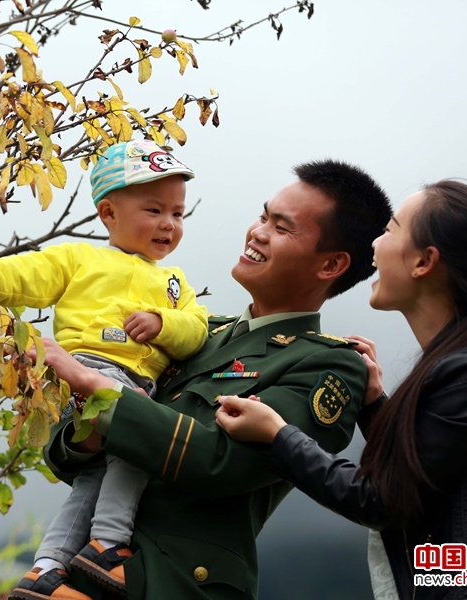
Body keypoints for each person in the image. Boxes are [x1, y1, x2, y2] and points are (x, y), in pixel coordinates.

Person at [35, 160, 393, 599]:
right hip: (79, 572)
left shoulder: (329, 366)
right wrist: (86, 434)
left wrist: (95, 388)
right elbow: (64, 456)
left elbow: (217, 462)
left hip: (178, 584)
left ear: (331, 264)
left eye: (281, 228)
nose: (257, 233)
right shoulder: (193, 332)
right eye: (263, 216)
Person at [216, 180, 467, 599]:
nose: (375, 244)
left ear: (424, 262)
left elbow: (379, 499)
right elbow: (426, 472)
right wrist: (375, 405)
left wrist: (278, 435)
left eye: (391, 230)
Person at [0, 140, 209, 600]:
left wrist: (164, 322)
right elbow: (24, 275)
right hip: (91, 368)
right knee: (143, 443)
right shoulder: (82, 259)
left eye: (178, 214)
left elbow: (196, 330)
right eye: (154, 210)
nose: (168, 224)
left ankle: (45, 570)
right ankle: (108, 544)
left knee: (94, 477)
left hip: (131, 380)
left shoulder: (174, 282)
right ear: (108, 213)